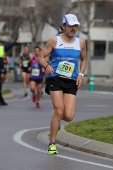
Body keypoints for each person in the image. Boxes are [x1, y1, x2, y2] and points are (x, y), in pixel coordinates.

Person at [38, 14, 87, 155]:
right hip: (55, 78)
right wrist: (47, 65)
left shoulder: (81, 42)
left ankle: (56, 116)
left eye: (75, 26)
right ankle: (52, 143)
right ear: (63, 26)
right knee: (60, 111)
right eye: (71, 25)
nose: (73, 28)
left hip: (71, 80)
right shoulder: (55, 40)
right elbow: (41, 56)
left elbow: (84, 59)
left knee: (69, 116)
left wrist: (81, 75)